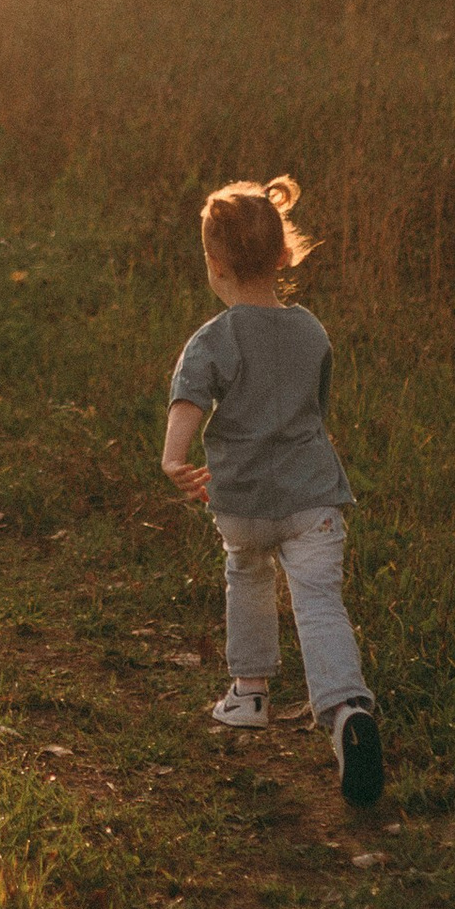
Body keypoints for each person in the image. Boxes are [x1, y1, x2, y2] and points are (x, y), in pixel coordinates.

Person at [160, 177, 383, 810]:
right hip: (313, 499)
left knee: (248, 572)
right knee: (319, 605)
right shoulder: (312, 332)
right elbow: (317, 407)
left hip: (243, 502)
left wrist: (175, 459)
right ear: (284, 256)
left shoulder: (215, 338)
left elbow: (189, 400)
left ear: (214, 265)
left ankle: (250, 693)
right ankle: (345, 712)